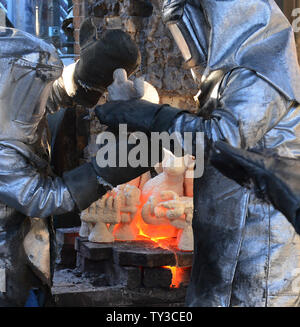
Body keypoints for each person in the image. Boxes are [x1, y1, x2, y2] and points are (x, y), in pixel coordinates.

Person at [95, 0, 300, 306]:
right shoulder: (231, 77)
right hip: (223, 239)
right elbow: (196, 137)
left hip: (257, 250)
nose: (187, 48)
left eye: (186, 28)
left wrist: (151, 116)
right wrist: (137, 114)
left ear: (226, 18)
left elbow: (221, 138)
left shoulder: (261, 73)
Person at [0, 26, 149, 307]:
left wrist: (85, 75)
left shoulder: (13, 100)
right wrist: (112, 167)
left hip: (29, 253)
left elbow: (49, 94)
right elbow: (42, 197)